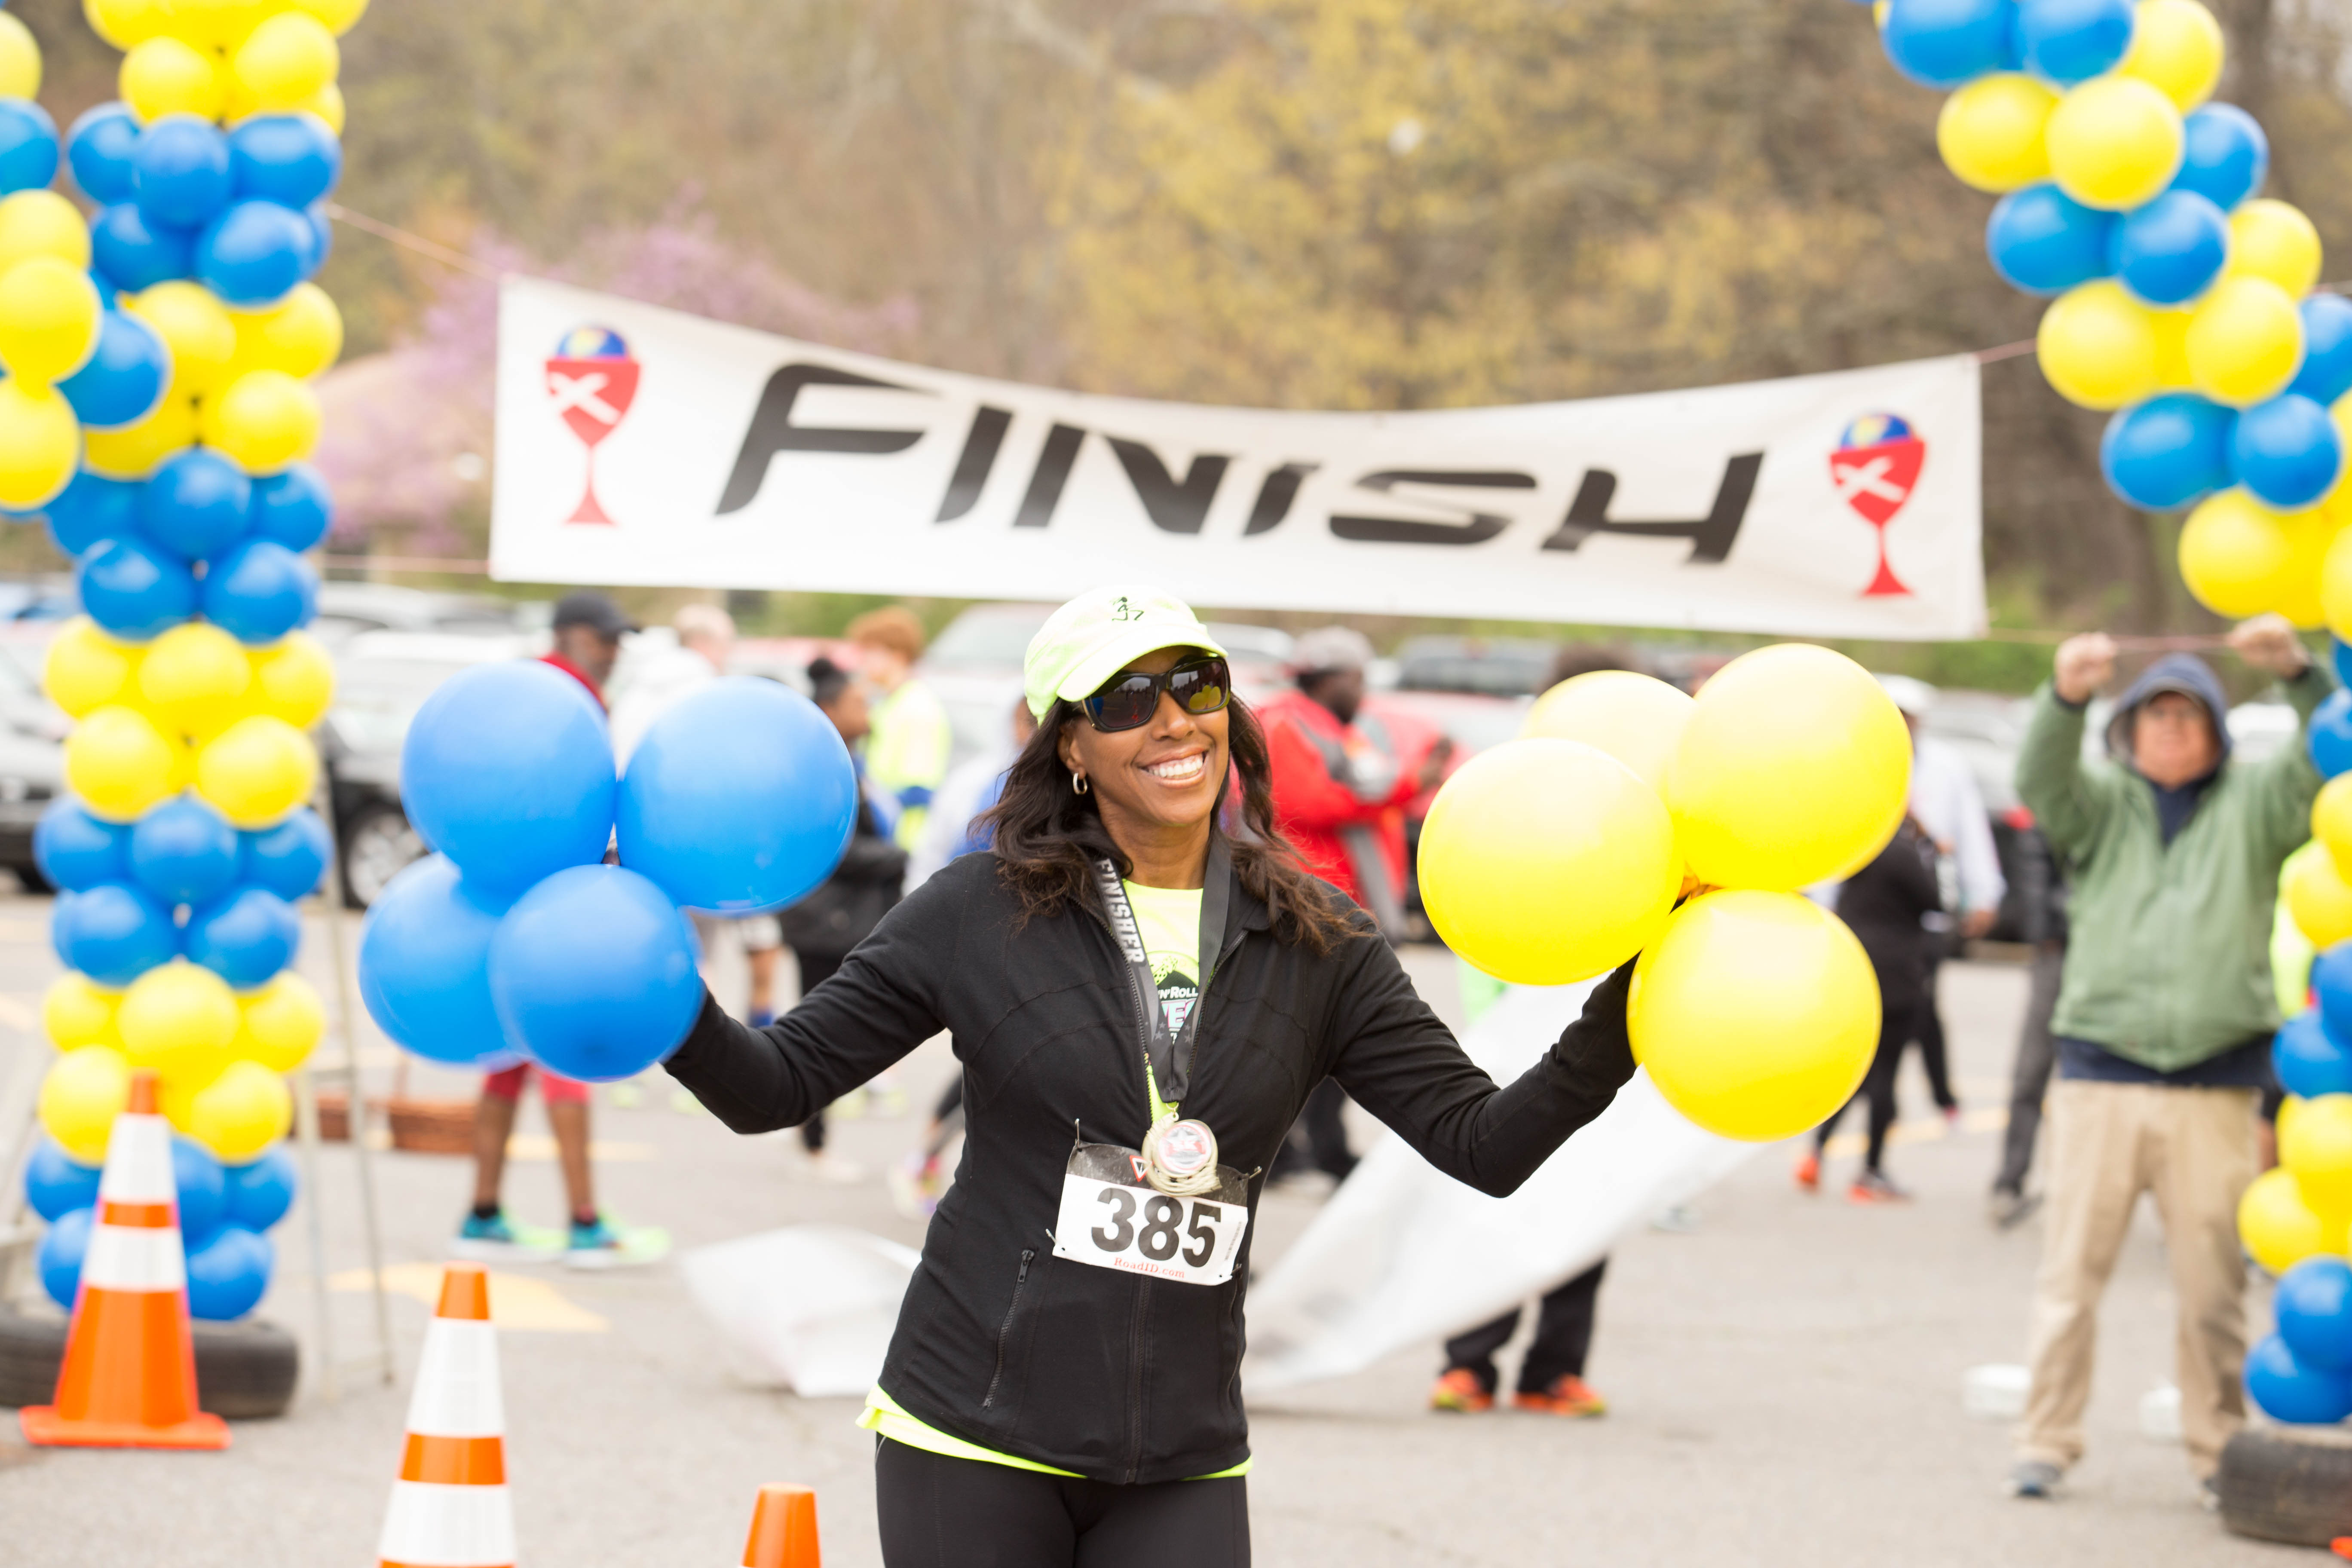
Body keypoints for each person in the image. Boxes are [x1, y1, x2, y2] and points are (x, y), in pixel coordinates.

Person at [660, 586, 1639, 1566]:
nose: (1172, 719)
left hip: (1182, 1460)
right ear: (1070, 748)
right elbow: (773, 1087)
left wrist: (1629, 1003)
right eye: (1124, 700)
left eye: (1193, 683)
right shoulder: (978, 911)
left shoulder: (1318, 937)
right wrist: (653, 971)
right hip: (971, 1433)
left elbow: (1484, 1144)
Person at [2006, 618, 2326, 1504]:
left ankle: (2217, 1447)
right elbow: (2040, 774)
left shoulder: (2257, 806)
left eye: (2190, 715)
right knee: (2070, 1280)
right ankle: (2046, 1439)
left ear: (2218, 732)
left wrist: (2297, 675)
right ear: (2130, 728)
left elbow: (2320, 763)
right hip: (2102, 1076)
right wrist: (2066, 695)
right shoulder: (2100, 804)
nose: (2172, 729)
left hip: (2217, 1084)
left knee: (2212, 1292)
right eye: (2155, 714)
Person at [1427, 642, 1645, 1415]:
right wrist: (1494, 1020)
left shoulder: (1643, 807)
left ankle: (1553, 1368)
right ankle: (1469, 1363)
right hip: (1514, 1027)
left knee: (1592, 1199)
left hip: (1605, 1029)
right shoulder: (1517, 792)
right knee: (1496, 1195)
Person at [459, 589, 644, 1268]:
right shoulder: (567, 701)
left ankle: (482, 1213)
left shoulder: (529, 689)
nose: (615, 653)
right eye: (606, 640)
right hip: (550, 901)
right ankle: (585, 1222)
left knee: (507, 1063)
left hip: (502, 893)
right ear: (571, 636)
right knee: (562, 1052)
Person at [610, 604, 792, 1033]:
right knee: (751, 941)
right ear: (707, 643)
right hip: (709, 836)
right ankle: (725, 1050)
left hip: (638, 840)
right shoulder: (710, 695)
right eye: (727, 645)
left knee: (674, 950)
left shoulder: (635, 693)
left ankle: (660, 1048)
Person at [775, 656, 910, 1183]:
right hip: (823, 921)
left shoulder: (855, 762)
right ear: (829, 710)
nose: (869, 710)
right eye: (859, 702)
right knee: (818, 1034)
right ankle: (812, 1144)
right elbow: (835, 849)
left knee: (827, 1032)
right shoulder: (822, 770)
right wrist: (903, 857)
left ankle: (813, 1138)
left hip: (845, 919)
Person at [1792, 815, 1943, 1203]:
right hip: (1895, 975)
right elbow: (1935, 900)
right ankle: (1871, 1172)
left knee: (1854, 1074)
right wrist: (1930, 850)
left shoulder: (1855, 849)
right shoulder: (1904, 852)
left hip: (1853, 967)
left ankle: (1817, 1152)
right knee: (1884, 1076)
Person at [1259, 626, 1449, 935]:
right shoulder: (1284, 725)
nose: (1364, 693)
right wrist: (1410, 785)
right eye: (1359, 679)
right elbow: (1313, 804)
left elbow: (1375, 782)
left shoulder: (1335, 729)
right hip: (1311, 903)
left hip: (1344, 903)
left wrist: (1420, 773)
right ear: (1329, 680)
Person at [1877, 675, 2006, 1121]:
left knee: (1922, 1010)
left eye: (1907, 718)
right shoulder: (1858, 764)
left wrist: (1984, 894)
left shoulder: (1946, 768)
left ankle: (1939, 1097)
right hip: (1874, 918)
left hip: (1926, 914)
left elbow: (1971, 833)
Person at [1989, 814, 2067, 1228]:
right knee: (2031, 1073)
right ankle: (2009, 1180)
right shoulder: (2074, 795)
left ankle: (2078, 1190)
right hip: (2059, 949)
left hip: (2110, 954)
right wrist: (2045, 930)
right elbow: (2035, 858)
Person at [848, 606, 953, 853]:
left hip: (905, 849)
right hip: (885, 845)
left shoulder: (919, 707)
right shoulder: (888, 703)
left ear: (898, 655)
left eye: (871, 652)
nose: (862, 661)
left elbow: (920, 790)